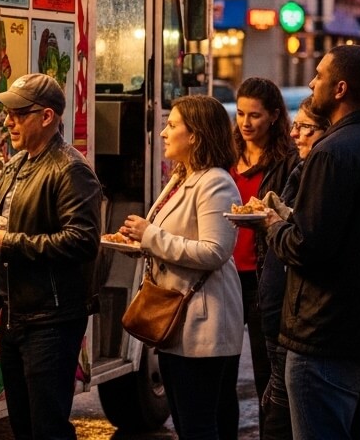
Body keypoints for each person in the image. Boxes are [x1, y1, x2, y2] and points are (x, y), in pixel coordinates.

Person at [264, 45, 360, 440]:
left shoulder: (330, 153)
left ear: (340, 88)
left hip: (328, 335)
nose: (312, 82)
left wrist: (272, 224)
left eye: (319, 75)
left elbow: (307, 246)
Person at [0, 73, 102, 440]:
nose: (8, 121)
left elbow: (82, 240)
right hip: (15, 315)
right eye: (8, 113)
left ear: (47, 117)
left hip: (52, 319)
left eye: (18, 113)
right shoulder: (18, 164)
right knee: (23, 424)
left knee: (47, 428)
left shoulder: (71, 168)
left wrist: (10, 243)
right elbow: (3, 220)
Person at [117, 95, 243, 440]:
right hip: (176, 325)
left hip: (202, 327)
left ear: (196, 135)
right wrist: (139, 243)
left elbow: (215, 251)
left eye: (172, 125)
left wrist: (150, 235)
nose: (162, 133)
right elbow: (171, 240)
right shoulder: (182, 178)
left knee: (199, 426)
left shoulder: (215, 181)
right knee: (188, 425)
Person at [256, 95, 329, 440]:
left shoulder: (323, 170)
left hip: (301, 320)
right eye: (296, 126)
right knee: (276, 402)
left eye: (306, 128)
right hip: (280, 311)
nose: (296, 134)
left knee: (283, 415)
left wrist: (274, 222)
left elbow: (305, 244)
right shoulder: (303, 169)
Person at [229, 77, 293, 399]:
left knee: (265, 371)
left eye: (254, 115)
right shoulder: (226, 156)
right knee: (221, 371)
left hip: (263, 275)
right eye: (240, 114)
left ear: (273, 116)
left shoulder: (289, 161)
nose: (245, 123)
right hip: (225, 274)